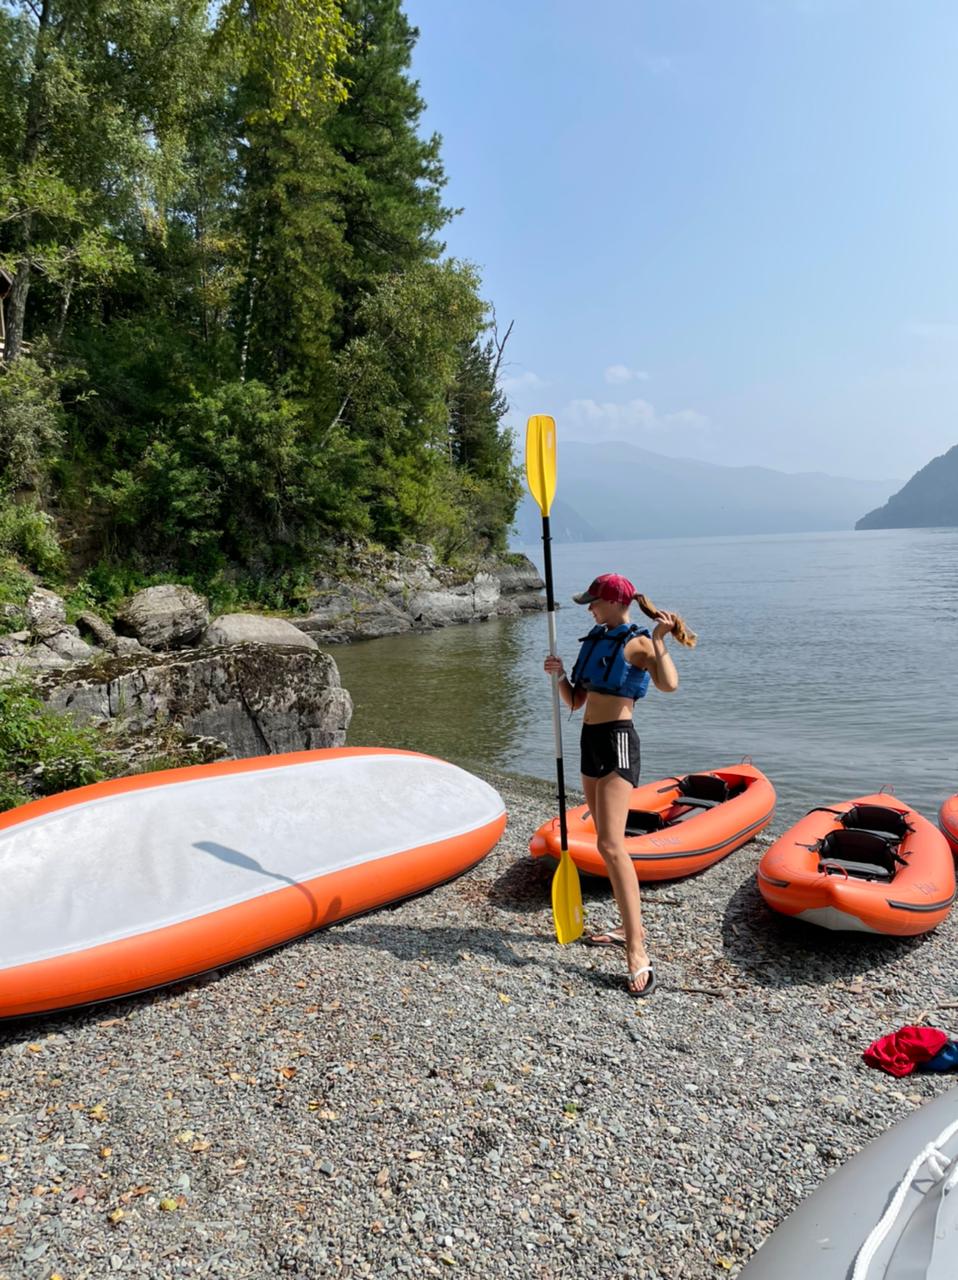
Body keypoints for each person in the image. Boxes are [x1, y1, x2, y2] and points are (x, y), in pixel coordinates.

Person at [543, 572, 696, 997]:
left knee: (612, 845)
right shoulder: (596, 639)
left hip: (618, 742)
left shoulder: (639, 643)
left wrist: (661, 641)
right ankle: (627, 927)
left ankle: (637, 949)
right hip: (589, 741)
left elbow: (669, 685)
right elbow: (576, 701)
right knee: (605, 842)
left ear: (614, 601)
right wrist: (559, 675)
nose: (590, 608)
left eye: (594, 601)